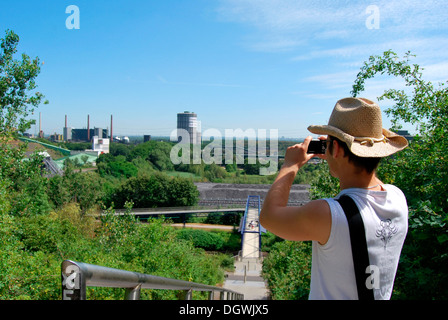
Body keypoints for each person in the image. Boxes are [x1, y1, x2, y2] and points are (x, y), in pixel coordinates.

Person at [260, 97, 409, 300]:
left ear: (337, 149)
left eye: (330, 144)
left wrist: (290, 166)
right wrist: (336, 152)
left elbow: (269, 217)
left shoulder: (328, 214)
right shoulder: (397, 198)